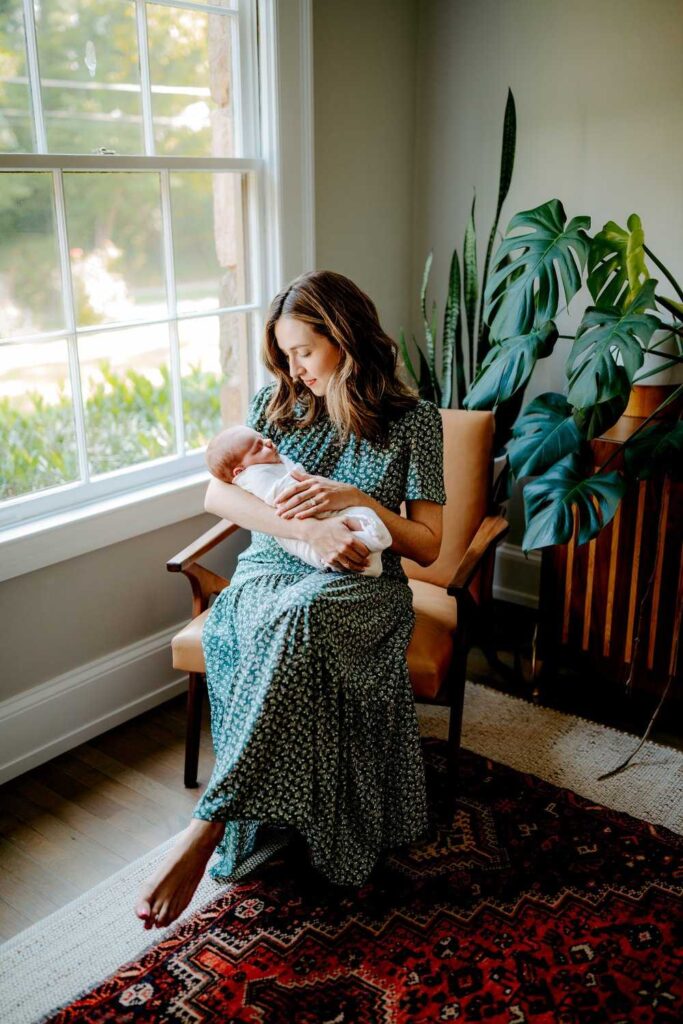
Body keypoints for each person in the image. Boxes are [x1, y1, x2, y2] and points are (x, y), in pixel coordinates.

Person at [134, 269, 446, 930]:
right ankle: (243, 813)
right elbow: (218, 495)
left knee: (304, 619)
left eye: (303, 350)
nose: (293, 367)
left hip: (362, 586)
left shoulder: (413, 422)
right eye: (284, 354)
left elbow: (427, 546)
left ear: (344, 337)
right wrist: (307, 528)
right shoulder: (275, 406)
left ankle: (208, 826)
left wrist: (357, 501)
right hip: (270, 570)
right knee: (284, 620)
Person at [204, 423, 393, 576]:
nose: (268, 442)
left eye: (263, 438)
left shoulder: (410, 422)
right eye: (259, 446)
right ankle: (363, 548)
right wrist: (311, 530)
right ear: (240, 471)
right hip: (280, 552)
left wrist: (353, 496)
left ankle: (366, 549)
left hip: (334, 576)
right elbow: (215, 496)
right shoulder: (253, 475)